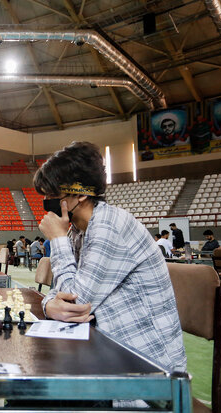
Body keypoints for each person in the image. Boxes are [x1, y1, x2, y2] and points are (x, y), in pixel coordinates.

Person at [36, 141, 186, 373]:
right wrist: (48, 306)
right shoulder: (78, 230)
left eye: (53, 194)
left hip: (145, 368)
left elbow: (75, 301)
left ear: (81, 193)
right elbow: (59, 294)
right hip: (106, 350)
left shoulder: (110, 227)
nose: (47, 201)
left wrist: (57, 239)